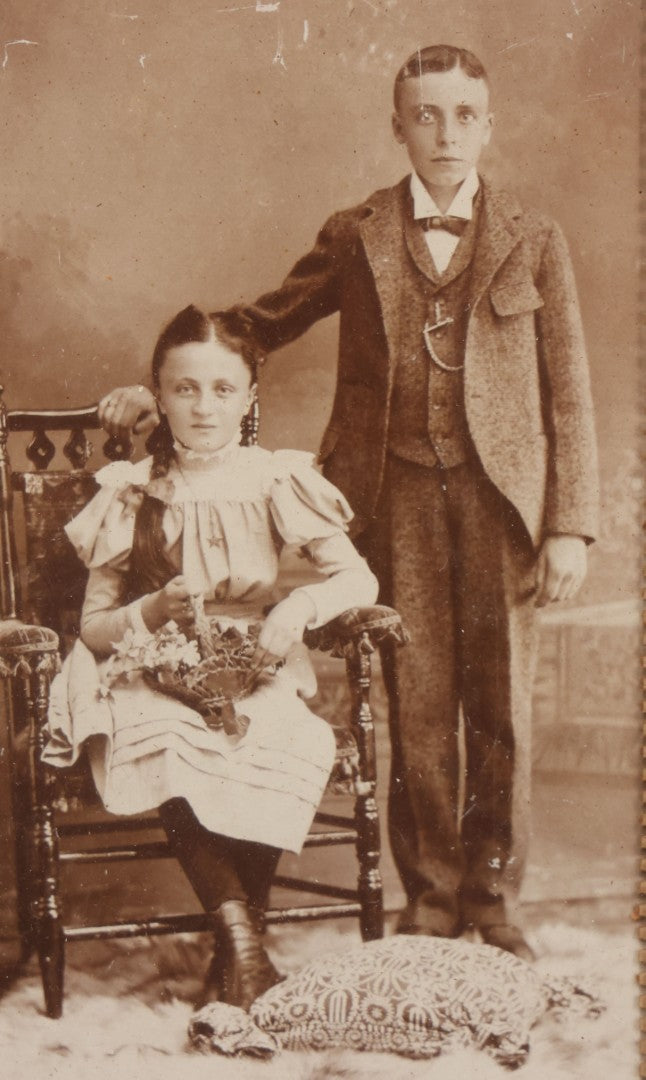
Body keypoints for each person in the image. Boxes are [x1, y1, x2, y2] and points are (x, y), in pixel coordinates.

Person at [100, 45, 599, 962]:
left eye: (462, 115)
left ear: (487, 124)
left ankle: (493, 899)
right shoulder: (357, 232)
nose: (444, 134)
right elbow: (260, 321)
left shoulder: (535, 234)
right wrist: (160, 382)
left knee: (500, 709)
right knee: (416, 703)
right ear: (397, 125)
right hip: (391, 494)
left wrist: (570, 523)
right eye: (425, 115)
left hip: (504, 505)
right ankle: (434, 899)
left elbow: (568, 390)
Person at [43, 304, 378, 1010]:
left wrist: (296, 608)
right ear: (158, 395)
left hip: (249, 659)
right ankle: (248, 951)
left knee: (277, 738)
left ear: (249, 398)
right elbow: (96, 627)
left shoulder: (274, 478)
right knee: (166, 742)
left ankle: (234, 959)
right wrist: (151, 611)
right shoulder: (131, 490)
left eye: (223, 390)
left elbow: (357, 579)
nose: (203, 407)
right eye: (185, 389)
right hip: (147, 666)